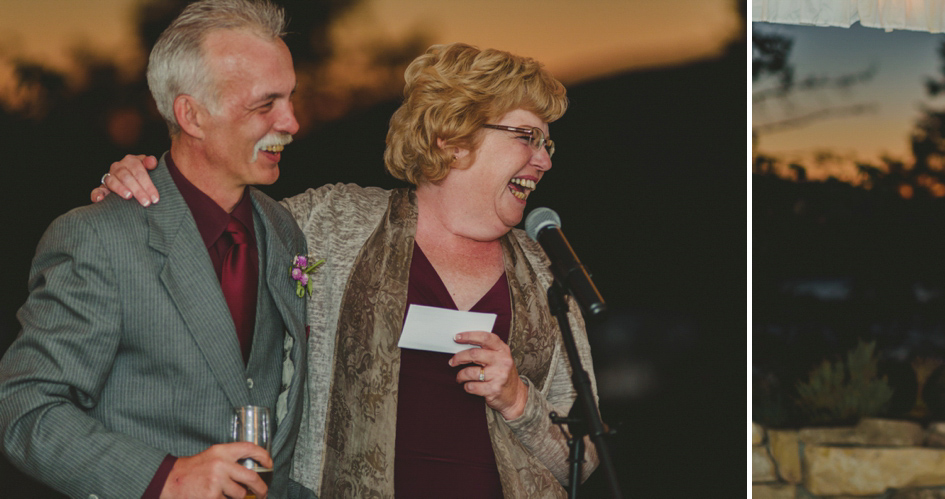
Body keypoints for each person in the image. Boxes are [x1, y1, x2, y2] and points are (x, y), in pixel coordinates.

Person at [96, 42, 599, 498]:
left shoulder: (548, 269)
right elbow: (209, 231)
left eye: (547, 145)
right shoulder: (331, 221)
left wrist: (518, 400)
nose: (544, 161)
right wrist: (144, 187)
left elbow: (585, 454)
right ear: (452, 137)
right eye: (527, 138)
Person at [0, 1, 308, 498]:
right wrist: (166, 477)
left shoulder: (285, 229)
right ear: (191, 114)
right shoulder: (98, 237)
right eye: (265, 104)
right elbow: (24, 406)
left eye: (291, 97)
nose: (291, 121)